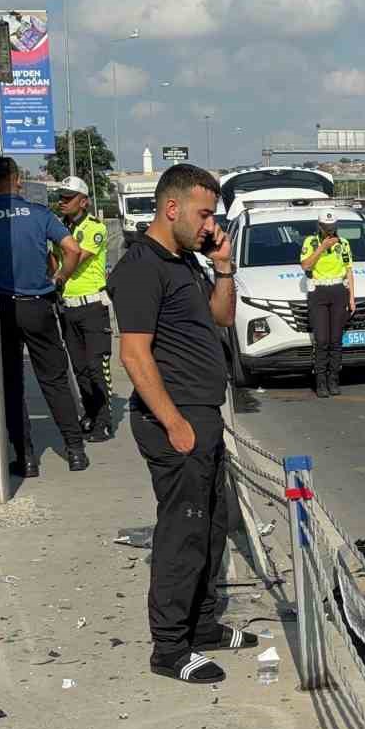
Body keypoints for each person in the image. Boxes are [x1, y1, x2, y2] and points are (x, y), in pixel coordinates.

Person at [113, 163, 258, 685]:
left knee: (213, 525)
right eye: (203, 214)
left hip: (202, 412)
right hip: (175, 418)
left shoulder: (186, 262)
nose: (209, 225)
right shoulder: (140, 268)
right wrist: (173, 421)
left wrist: (222, 266)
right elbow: (134, 354)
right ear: (171, 208)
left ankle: (202, 626)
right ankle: (170, 647)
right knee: (183, 532)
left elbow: (220, 317)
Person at [0, 156, 88, 477]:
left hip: (1, 308)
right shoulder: (38, 214)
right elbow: (72, 249)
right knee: (55, 380)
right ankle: (74, 451)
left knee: (11, 383)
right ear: (17, 180)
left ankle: (26, 458)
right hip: (38, 306)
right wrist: (58, 278)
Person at [53, 176, 115, 443]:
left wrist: (55, 274)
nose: (62, 202)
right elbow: (53, 259)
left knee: (95, 367)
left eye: (68, 198)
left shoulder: (94, 228)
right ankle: (90, 413)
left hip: (92, 306)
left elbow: (74, 257)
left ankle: (104, 421)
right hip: (68, 307)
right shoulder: (60, 229)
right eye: (61, 197)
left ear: (84, 201)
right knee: (78, 368)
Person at [297, 210, 355, 399]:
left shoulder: (343, 244)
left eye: (333, 228)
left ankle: (334, 380)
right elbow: (305, 265)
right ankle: (320, 381)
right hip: (319, 292)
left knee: (336, 340)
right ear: (319, 227)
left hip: (338, 290)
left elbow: (349, 271)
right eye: (327, 228)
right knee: (322, 340)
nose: (330, 231)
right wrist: (322, 247)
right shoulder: (310, 242)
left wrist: (352, 297)